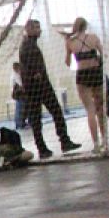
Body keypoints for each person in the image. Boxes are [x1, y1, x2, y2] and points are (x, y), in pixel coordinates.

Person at [19, 19, 82, 159]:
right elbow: (32, 69)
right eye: (36, 27)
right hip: (38, 87)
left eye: (39, 27)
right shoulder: (28, 46)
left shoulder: (29, 44)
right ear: (29, 29)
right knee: (46, 115)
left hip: (36, 86)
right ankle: (54, 144)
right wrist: (37, 77)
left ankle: (57, 143)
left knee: (43, 116)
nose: (39, 30)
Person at [63, 17, 106, 153]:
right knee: (100, 108)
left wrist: (68, 47)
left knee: (90, 110)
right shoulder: (93, 37)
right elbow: (103, 55)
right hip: (96, 72)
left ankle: (96, 144)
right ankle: (105, 140)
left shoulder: (71, 42)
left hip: (82, 75)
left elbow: (68, 63)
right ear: (86, 26)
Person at [10, 62, 26, 130]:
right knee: (20, 108)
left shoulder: (15, 74)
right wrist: (24, 89)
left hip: (18, 94)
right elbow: (21, 85)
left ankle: (20, 123)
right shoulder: (15, 75)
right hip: (18, 94)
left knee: (20, 108)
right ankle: (19, 123)